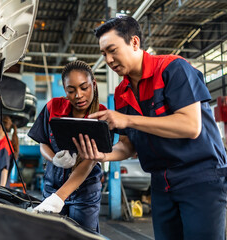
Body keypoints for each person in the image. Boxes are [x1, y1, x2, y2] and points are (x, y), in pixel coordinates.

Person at [73, 16, 227, 240]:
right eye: (103, 54)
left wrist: (128, 120)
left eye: (112, 50)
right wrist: (102, 155)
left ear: (134, 42)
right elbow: (127, 146)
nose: (108, 59)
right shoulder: (122, 92)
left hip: (200, 179)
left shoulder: (173, 69)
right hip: (160, 184)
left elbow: (190, 126)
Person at [27, 60, 107, 232]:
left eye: (84, 88)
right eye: (71, 90)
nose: (78, 95)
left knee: (83, 235)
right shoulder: (52, 107)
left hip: (85, 192)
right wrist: (54, 159)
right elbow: (43, 143)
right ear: (65, 90)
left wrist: (58, 198)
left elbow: (90, 162)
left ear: (93, 84)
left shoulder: (102, 116)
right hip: (52, 185)